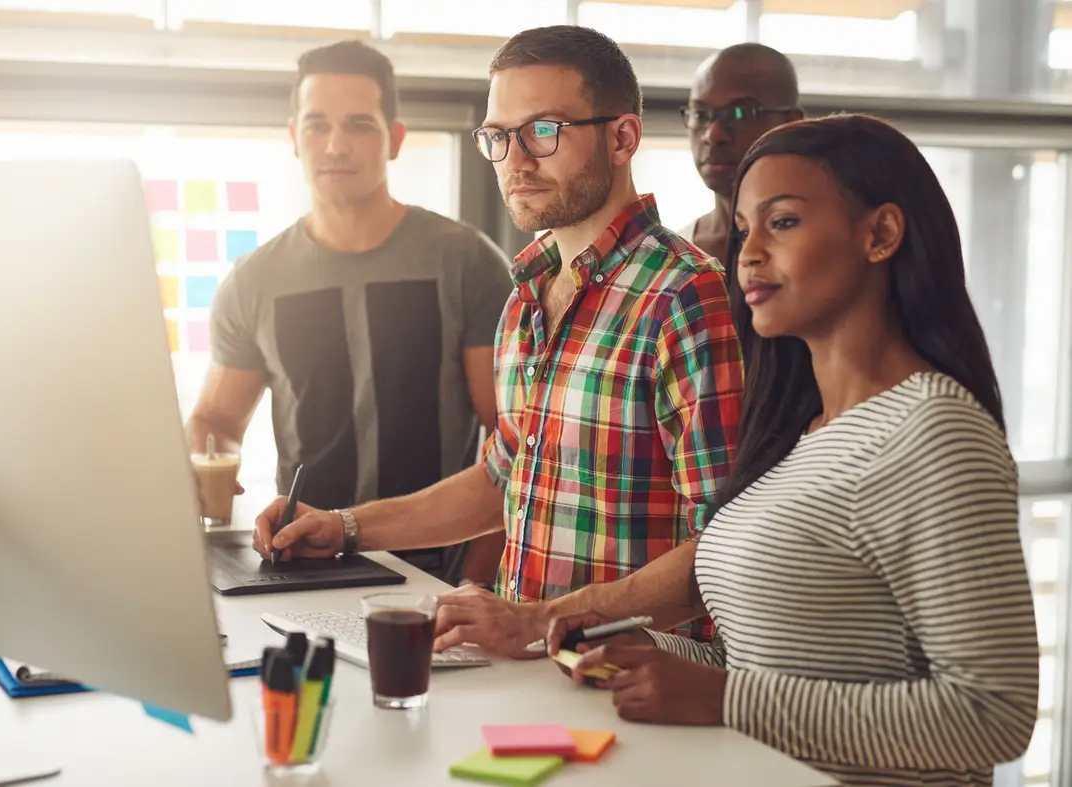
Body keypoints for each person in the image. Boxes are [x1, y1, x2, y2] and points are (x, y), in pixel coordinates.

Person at [533, 115, 1037, 786]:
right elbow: (779, 673)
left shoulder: (934, 433)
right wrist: (647, 648)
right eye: (744, 228)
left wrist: (722, 699)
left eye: (784, 222)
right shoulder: (805, 435)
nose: (748, 253)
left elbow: (993, 713)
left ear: (880, 233)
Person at [252, 26, 743, 648]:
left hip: (631, 681)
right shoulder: (527, 295)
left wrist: (541, 620)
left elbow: (726, 547)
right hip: (530, 671)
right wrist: (344, 527)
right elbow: (500, 477)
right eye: (499, 136)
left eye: (544, 130)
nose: (516, 159)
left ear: (622, 138)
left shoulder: (685, 294)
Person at [187, 40, 512, 585]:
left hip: (436, 573)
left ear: (395, 140)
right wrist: (200, 461)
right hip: (302, 563)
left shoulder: (466, 262)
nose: (335, 144)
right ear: (294, 138)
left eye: (359, 125)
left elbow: (513, 446)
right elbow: (217, 423)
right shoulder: (254, 281)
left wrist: (474, 586)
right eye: (317, 125)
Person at [679, 43, 802, 264]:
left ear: (790, 124)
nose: (713, 135)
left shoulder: (819, 246)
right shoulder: (673, 255)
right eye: (700, 114)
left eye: (741, 113)